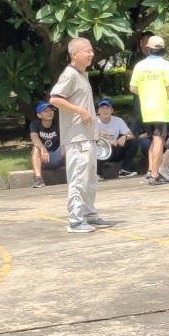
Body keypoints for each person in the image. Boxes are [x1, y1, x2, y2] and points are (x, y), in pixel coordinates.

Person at [48, 37, 112, 233]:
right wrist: (80, 111)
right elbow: (55, 99)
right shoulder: (70, 74)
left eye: (91, 50)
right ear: (74, 55)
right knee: (78, 179)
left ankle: (89, 214)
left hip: (88, 137)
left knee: (90, 179)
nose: (92, 54)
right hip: (77, 138)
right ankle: (75, 220)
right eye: (87, 51)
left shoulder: (82, 74)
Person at [130, 34, 169, 185]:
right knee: (159, 140)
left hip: (146, 109)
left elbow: (132, 87)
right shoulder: (166, 66)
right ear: (163, 49)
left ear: (148, 49)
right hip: (160, 109)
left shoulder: (139, 66)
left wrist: (146, 93)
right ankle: (155, 174)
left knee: (153, 140)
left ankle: (151, 169)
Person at [94, 98, 138, 179]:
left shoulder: (118, 120)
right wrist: (108, 141)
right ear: (98, 111)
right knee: (94, 146)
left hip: (114, 151)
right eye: (102, 108)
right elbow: (90, 138)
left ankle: (125, 171)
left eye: (107, 108)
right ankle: (97, 174)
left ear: (112, 110)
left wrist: (125, 137)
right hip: (100, 151)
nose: (105, 111)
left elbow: (131, 135)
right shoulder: (94, 121)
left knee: (133, 142)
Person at [28, 101, 63, 187]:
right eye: (45, 111)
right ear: (39, 115)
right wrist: (43, 149)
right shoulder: (35, 125)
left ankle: (74, 175)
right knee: (35, 148)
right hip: (42, 159)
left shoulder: (58, 124)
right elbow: (34, 137)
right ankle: (39, 179)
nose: (49, 113)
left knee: (66, 146)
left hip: (56, 156)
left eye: (50, 110)